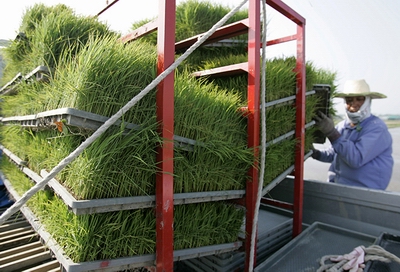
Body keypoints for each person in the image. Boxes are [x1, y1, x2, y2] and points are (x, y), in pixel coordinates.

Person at [312, 79, 394, 190]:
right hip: (338, 186)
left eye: (359, 99)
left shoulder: (376, 128)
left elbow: (355, 158)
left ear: (367, 101)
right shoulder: (342, 126)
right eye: (349, 100)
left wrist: (331, 133)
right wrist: (314, 153)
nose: (353, 104)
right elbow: (334, 154)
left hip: (365, 193)